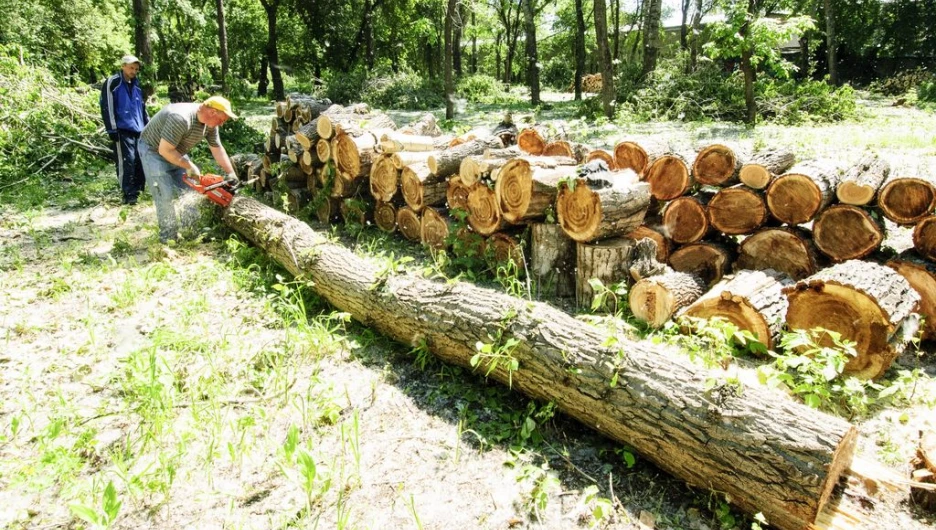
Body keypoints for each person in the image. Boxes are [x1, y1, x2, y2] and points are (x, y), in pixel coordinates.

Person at [139, 96, 238, 243]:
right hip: (153, 152)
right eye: (222, 119)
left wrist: (231, 174)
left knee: (191, 190)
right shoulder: (181, 118)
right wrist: (189, 166)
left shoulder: (210, 125)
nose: (222, 124)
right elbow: (164, 150)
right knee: (164, 194)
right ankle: (168, 239)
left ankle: (192, 233)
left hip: (176, 150)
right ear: (212, 112)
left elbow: (217, 149)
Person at [100, 54, 149, 205]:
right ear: (123, 66)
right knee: (127, 161)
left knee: (140, 161)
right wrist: (112, 128)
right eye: (131, 68)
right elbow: (106, 105)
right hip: (122, 128)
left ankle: (139, 190)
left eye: (136, 69)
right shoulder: (113, 82)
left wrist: (148, 125)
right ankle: (128, 194)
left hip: (139, 128)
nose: (134, 71)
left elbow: (142, 107)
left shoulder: (137, 84)